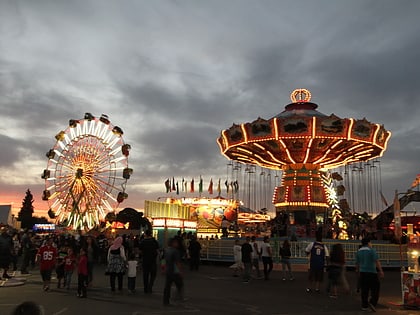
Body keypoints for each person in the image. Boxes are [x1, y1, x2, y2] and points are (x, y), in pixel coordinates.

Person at [356, 238, 384, 312]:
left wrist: (358, 272)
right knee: (375, 289)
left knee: (364, 290)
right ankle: (372, 302)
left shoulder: (359, 251)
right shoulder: (372, 250)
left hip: (362, 272)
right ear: (368, 243)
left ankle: (364, 306)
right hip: (372, 272)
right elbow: (376, 261)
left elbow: (357, 263)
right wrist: (381, 271)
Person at [163, 238, 184, 306]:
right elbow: (178, 262)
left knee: (167, 286)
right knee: (179, 284)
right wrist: (180, 271)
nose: (177, 244)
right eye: (176, 243)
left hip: (168, 270)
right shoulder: (175, 251)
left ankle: (166, 300)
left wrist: (163, 268)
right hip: (175, 271)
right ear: (173, 243)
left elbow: (163, 260)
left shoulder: (166, 250)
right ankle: (177, 297)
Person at [138, 230, 159, 294]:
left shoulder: (143, 241)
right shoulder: (154, 241)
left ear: (145, 234)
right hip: (153, 260)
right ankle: (150, 286)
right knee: (153, 274)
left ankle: (145, 288)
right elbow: (157, 249)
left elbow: (140, 251)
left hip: (145, 260)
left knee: (145, 275)